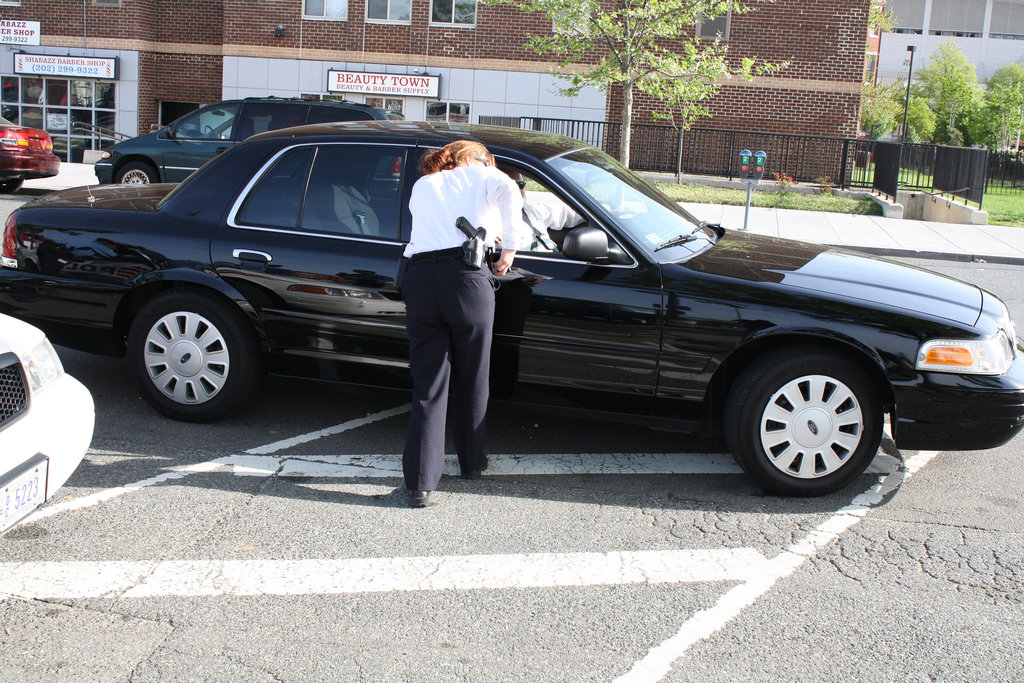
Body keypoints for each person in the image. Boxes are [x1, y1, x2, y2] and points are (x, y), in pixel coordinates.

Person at [401, 139, 524, 508]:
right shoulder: (484, 173)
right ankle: (471, 462)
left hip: (420, 280)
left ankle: (419, 484)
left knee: (428, 385)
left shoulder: (424, 184)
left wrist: (488, 229)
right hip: (466, 280)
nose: (490, 164)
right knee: (473, 376)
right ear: (472, 158)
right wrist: (510, 250)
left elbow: (434, 227)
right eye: (487, 159)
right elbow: (510, 194)